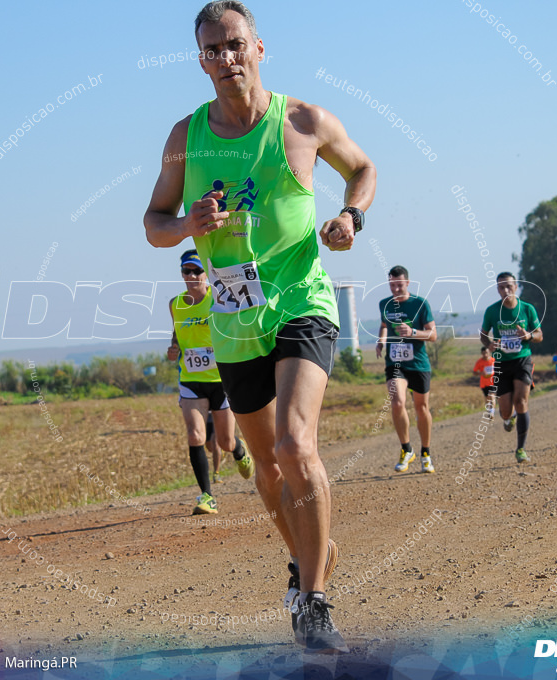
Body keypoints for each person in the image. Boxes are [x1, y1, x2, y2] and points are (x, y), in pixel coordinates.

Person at [143, 0, 375, 653]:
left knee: (296, 445)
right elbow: (153, 224)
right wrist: (188, 224)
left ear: (259, 48)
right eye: (212, 50)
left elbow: (363, 169)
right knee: (268, 468)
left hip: (301, 299)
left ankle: (316, 600)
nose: (226, 58)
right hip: (234, 320)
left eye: (235, 44)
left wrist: (351, 218)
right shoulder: (185, 139)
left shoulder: (303, 121)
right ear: (200, 62)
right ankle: (307, 566)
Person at [167, 249, 255, 514]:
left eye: (197, 271)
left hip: (221, 379)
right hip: (191, 380)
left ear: (206, 274)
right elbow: (178, 333)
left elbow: (238, 329)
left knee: (226, 442)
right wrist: (173, 348)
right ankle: (206, 496)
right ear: (182, 274)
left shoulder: (220, 300)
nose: (192, 276)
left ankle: (240, 452)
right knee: (195, 435)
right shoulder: (175, 304)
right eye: (187, 271)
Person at [375, 266, 437, 473]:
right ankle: (406, 449)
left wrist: (413, 332)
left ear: (408, 283)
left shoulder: (420, 304)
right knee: (397, 401)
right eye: (392, 284)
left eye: (399, 284)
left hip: (418, 363)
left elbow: (433, 335)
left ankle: (426, 453)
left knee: (421, 408)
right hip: (395, 362)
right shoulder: (385, 304)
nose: (395, 288)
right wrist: (381, 340)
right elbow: (384, 324)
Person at [480, 273, 543, 464]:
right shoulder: (492, 311)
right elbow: (483, 334)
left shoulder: (527, 309)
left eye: (508, 286)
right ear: (498, 290)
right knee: (505, 410)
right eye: (501, 287)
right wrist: (489, 344)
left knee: (521, 400)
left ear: (516, 286)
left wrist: (528, 336)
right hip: (500, 363)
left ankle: (521, 449)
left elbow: (540, 335)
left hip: (522, 360)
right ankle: (509, 418)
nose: (505, 290)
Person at [472, 347, 497, 415]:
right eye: (483, 353)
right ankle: (489, 409)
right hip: (484, 383)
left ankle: (492, 412)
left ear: (489, 352)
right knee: (487, 398)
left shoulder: (493, 360)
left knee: (492, 396)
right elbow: (474, 372)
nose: (485, 355)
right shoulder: (479, 362)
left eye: (486, 353)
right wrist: (480, 373)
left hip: (493, 382)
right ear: (481, 354)